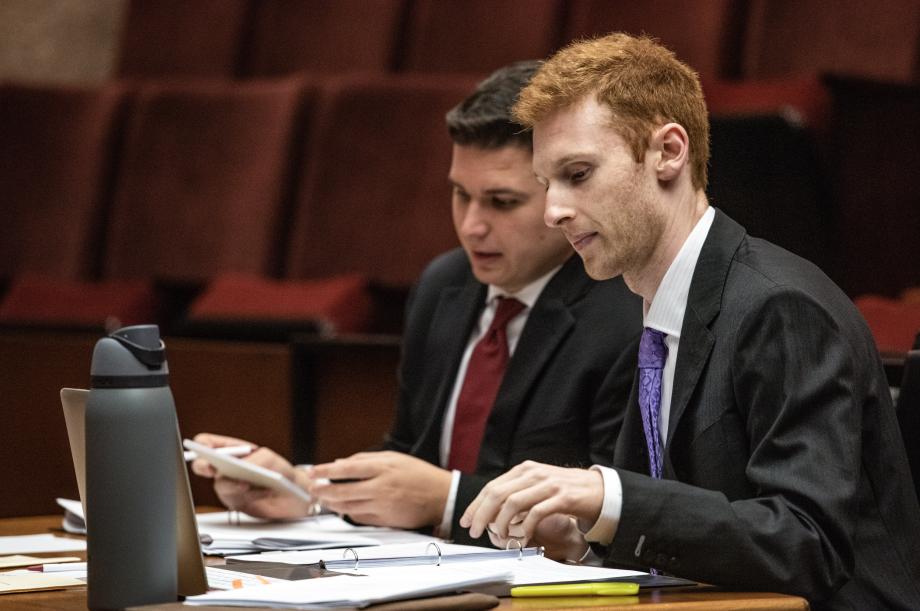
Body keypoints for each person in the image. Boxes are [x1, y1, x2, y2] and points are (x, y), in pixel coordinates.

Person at [460, 34, 920, 609]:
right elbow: (698, 524)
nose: (554, 211)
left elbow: (808, 542)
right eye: (546, 184)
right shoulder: (661, 303)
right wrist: (585, 538)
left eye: (577, 174)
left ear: (668, 153)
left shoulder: (780, 307)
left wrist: (611, 496)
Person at [192, 61, 641, 546]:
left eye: (502, 202)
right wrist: (304, 489)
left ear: (564, 195)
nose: (472, 226)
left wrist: (446, 499)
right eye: (460, 194)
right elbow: (407, 455)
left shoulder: (624, 313)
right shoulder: (444, 285)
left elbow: (614, 519)